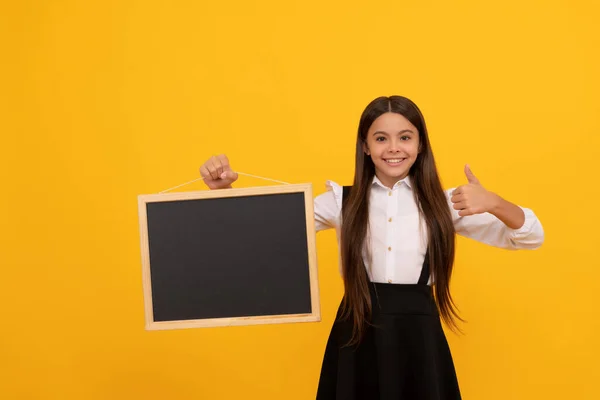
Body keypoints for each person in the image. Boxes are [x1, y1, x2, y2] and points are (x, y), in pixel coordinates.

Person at [199, 95, 544, 399]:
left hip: (418, 339)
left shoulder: (446, 204)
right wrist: (223, 192)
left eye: (405, 137)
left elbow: (530, 236)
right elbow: (261, 235)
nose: (393, 148)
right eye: (381, 138)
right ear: (365, 146)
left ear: (420, 144)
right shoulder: (340, 201)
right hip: (356, 335)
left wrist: (494, 202)